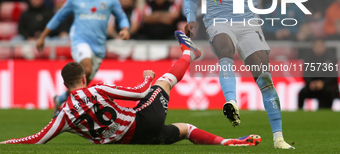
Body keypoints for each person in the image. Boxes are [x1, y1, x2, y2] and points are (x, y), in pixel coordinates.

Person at [1, 31, 261, 147]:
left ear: (65, 84)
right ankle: (189, 53)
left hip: (129, 139)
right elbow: (137, 94)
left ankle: (229, 143)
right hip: (140, 123)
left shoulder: (64, 113)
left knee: (184, 130)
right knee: (164, 82)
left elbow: (38, 138)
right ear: (84, 76)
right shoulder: (97, 89)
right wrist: (147, 79)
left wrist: (8, 142)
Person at [183, 0, 294, 149]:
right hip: (218, 22)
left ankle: (279, 138)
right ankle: (232, 102)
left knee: (264, 79)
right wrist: (191, 20)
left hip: (248, 21)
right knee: (225, 49)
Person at [36, 0, 130, 113]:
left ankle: (59, 99)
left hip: (98, 47)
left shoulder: (110, 0)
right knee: (85, 69)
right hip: (80, 41)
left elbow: (122, 16)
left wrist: (125, 28)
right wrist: (43, 36)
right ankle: (78, 111)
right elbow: (59, 16)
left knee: (81, 84)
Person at [298, 40, 339, 109]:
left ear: (324, 47)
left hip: (326, 85)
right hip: (312, 85)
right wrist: (311, 83)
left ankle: (327, 111)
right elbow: (306, 73)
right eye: (317, 46)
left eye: (320, 46)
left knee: (329, 92)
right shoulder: (308, 58)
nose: (318, 48)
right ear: (313, 48)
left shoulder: (331, 58)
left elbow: (333, 75)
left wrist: (323, 83)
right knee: (302, 92)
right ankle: (299, 111)